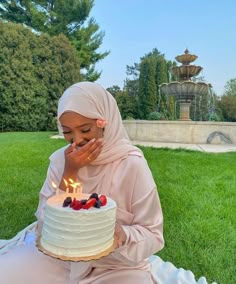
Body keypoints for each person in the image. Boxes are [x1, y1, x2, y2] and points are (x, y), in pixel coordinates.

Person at [0, 81, 164, 284]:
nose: (76, 141)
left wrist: (122, 235)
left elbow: (153, 235)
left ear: (105, 123)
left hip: (116, 266)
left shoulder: (131, 164)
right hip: (59, 259)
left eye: (85, 130)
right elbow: (44, 222)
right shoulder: (61, 160)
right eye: (68, 132)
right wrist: (70, 171)